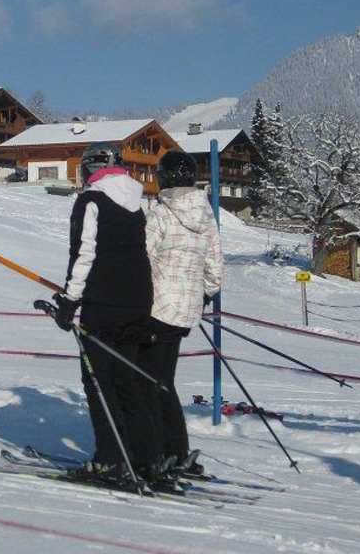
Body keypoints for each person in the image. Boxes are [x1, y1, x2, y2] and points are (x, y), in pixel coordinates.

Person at [52, 141, 160, 485]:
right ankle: (145, 456)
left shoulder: (91, 200)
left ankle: (110, 460)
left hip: (104, 303)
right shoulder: (136, 201)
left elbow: (83, 254)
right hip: (139, 299)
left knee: (98, 381)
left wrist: (70, 301)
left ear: (91, 168)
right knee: (125, 380)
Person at [138, 150, 223, 477]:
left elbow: (141, 258)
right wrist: (199, 297)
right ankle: (174, 450)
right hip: (185, 312)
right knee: (162, 379)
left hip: (157, 309)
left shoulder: (160, 214)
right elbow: (215, 270)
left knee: (149, 381)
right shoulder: (206, 215)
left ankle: (162, 451)